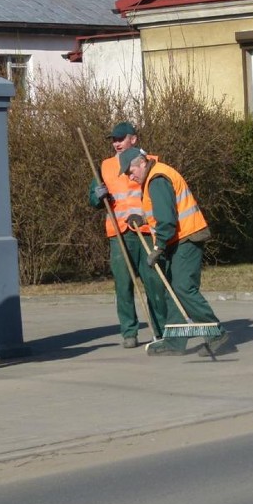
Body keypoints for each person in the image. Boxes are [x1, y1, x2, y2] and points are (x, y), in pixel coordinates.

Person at [119, 147, 232, 357]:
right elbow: (164, 212)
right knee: (172, 292)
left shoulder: (157, 179)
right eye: (127, 173)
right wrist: (142, 220)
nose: (130, 176)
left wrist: (157, 248)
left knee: (183, 288)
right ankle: (174, 341)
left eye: (130, 170)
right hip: (180, 238)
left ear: (142, 162)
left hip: (186, 239)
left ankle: (216, 334)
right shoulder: (155, 176)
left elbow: (167, 221)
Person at [89, 122, 165, 348]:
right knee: (123, 285)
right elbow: (92, 199)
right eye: (113, 139)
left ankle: (161, 330)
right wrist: (96, 194)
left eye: (120, 138)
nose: (116, 143)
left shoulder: (151, 162)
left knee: (154, 282)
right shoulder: (105, 166)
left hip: (146, 232)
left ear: (134, 139)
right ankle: (129, 332)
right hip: (119, 233)